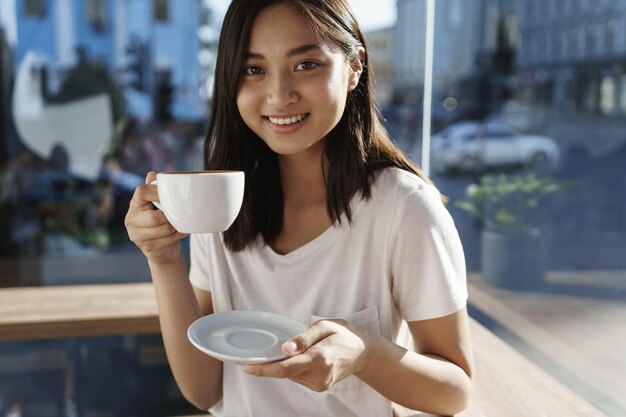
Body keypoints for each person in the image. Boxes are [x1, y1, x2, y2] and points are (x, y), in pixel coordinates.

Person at [124, 0, 473, 416]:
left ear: (354, 67)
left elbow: (454, 392)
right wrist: (163, 260)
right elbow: (204, 390)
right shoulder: (218, 204)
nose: (279, 94)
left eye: (306, 64)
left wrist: (366, 354)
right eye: (254, 69)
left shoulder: (404, 208)